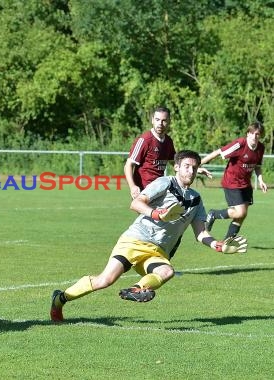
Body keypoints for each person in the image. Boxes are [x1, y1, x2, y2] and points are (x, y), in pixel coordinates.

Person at [50, 150, 248, 322]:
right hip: (135, 240)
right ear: (177, 167)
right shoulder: (165, 183)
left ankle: (136, 289)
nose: (191, 171)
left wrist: (218, 246)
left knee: (166, 272)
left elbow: (201, 233)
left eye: (194, 168)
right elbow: (136, 203)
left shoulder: (196, 199)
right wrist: (157, 214)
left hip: (157, 251)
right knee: (105, 280)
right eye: (186, 166)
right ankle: (60, 299)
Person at [124, 106, 211, 199]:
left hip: (160, 189)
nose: (160, 124)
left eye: (164, 120)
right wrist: (132, 187)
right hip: (144, 191)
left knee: (176, 210)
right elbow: (128, 165)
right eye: (157, 120)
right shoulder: (145, 140)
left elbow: (175, 163)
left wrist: (194, 169)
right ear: (152, 120)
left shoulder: (168, 141)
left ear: (169, 122)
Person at [201, 122, 268, 239]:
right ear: (248, 134)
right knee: (240, 212)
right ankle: (213, 214)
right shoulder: (240, 144)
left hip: (246, 184)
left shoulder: (261, 148)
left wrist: (261, 181)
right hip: (232, 182)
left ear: (260, 136)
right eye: (252, 133)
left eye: (257, 134)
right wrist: (198, 163)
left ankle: (228, 240)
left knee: (243, 215)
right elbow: (219, 152)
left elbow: (257, 166)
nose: (254, 136)